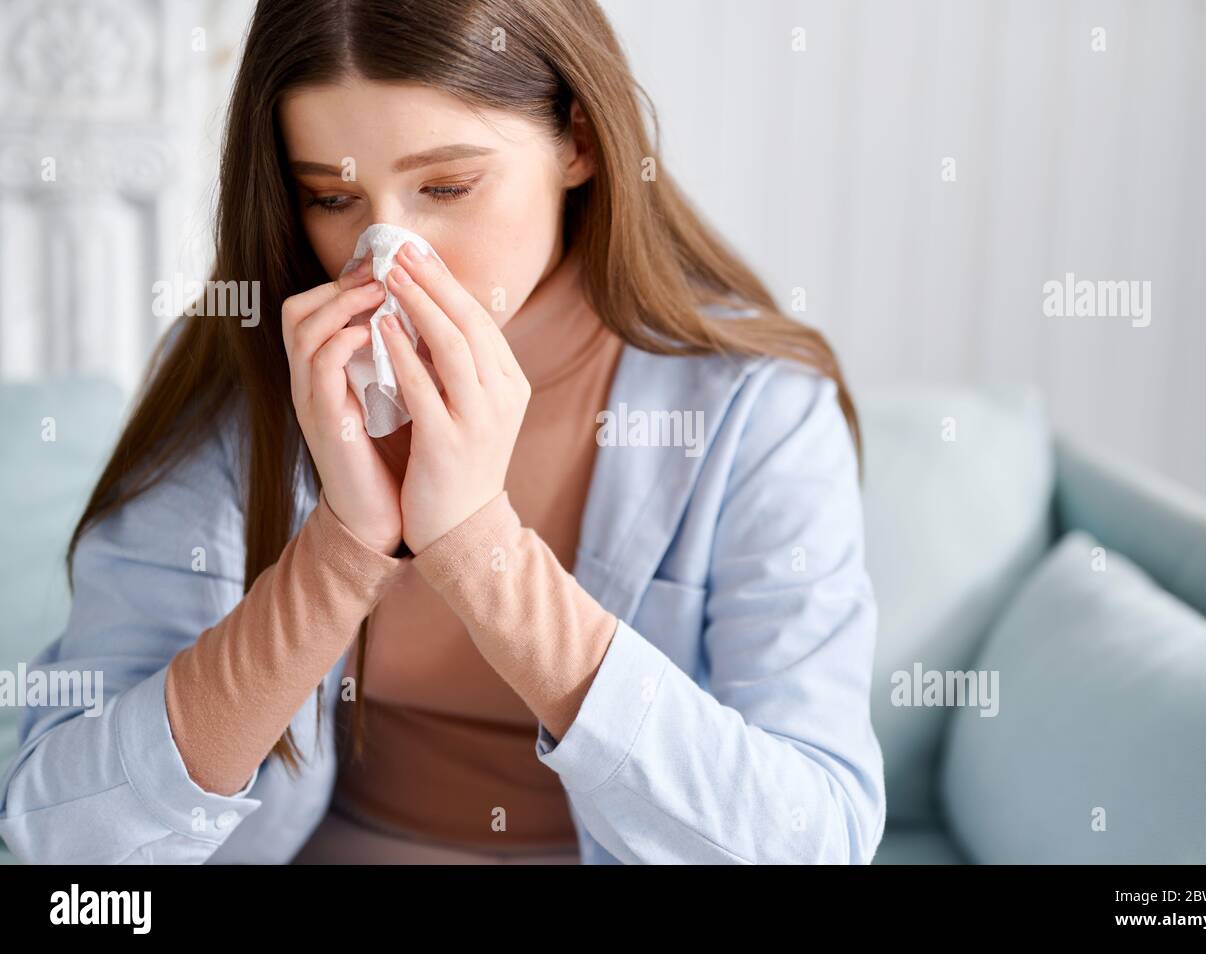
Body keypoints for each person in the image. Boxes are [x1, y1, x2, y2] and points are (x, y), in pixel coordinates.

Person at [0, 0, 885, 865]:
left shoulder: (758, 413)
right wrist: (336, 556)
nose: (390, 253)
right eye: (333, 196)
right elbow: (61, 840)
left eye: (447, 187)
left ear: (577, 142)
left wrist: (479, 547)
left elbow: (814, 839)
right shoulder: (234, 376)